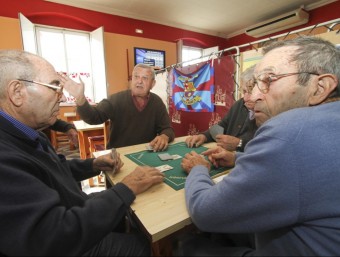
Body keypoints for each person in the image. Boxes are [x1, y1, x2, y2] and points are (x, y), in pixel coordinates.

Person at [178, 36, 340, 256]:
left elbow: (205, 212)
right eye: (254, 84)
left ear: (320, 87)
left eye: (269, 79)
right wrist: (237, 158)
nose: (253, 97)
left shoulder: (288, 131)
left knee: (188, 245)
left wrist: (198, 168)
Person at [0, 49, 165, 256]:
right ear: (17, 92)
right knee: (147, 246)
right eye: (54, 87)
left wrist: (92, 165)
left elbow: (55, 168)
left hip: (73, 204)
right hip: (68, 240)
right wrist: (126, 187)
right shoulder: (5, 157)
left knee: (132, 213)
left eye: (145, 78)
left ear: (152, 84)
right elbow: (54, 237)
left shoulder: (33, 132)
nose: (60, 96)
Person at [60, 63, 175, 152]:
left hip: (146, 153)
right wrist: (80, 99)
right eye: (136, 77)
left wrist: (164, 136)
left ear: (153, 84)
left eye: (145, 78)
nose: (139, 81)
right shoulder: (115, 100)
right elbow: (94, 117)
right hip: (119, 155)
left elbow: (167, 129)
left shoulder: (157, 103)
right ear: (131, 80)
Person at [185, 65, 257, 152]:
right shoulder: (240, 104)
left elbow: (267, 147)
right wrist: (204, 136)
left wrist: (240, 143)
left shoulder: (271, 112)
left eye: (250, 92)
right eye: (244, 91)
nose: (245, 98)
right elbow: (222, 126)